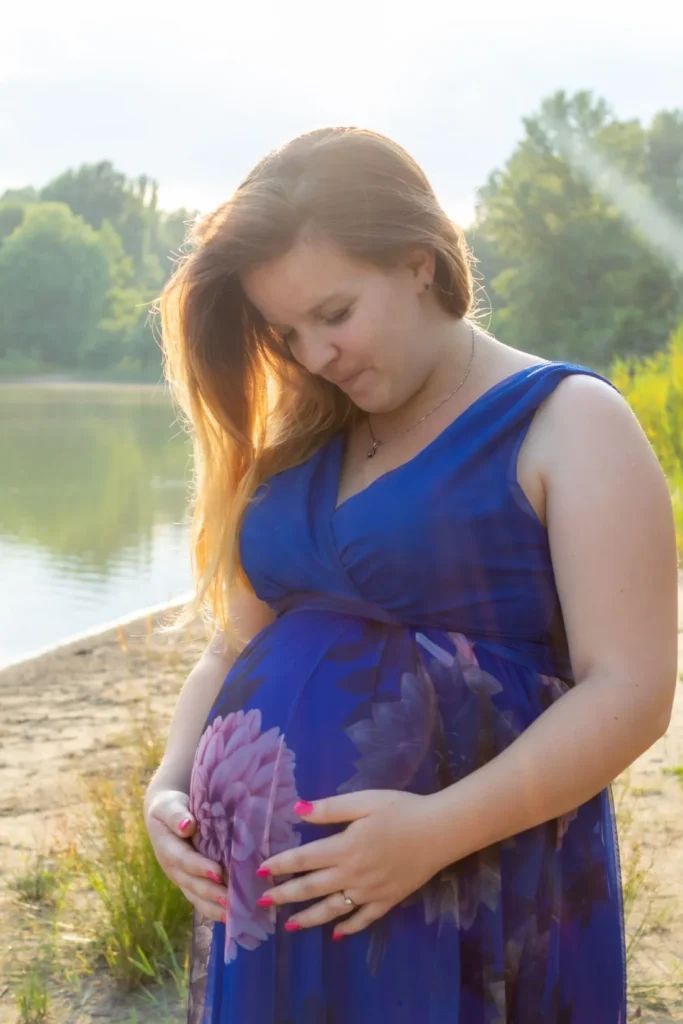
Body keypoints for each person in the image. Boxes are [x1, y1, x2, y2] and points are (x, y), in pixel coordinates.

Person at [143, 126, 678, 1024]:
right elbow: (232, 647)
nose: (314, 356)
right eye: (286, 331)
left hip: (467, 890)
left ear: (417, 262)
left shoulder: (568, 421)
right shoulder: (303, 441)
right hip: (273, 919)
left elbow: (631, 691)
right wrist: (170, 784)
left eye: (335, 314)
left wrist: (433, 833)